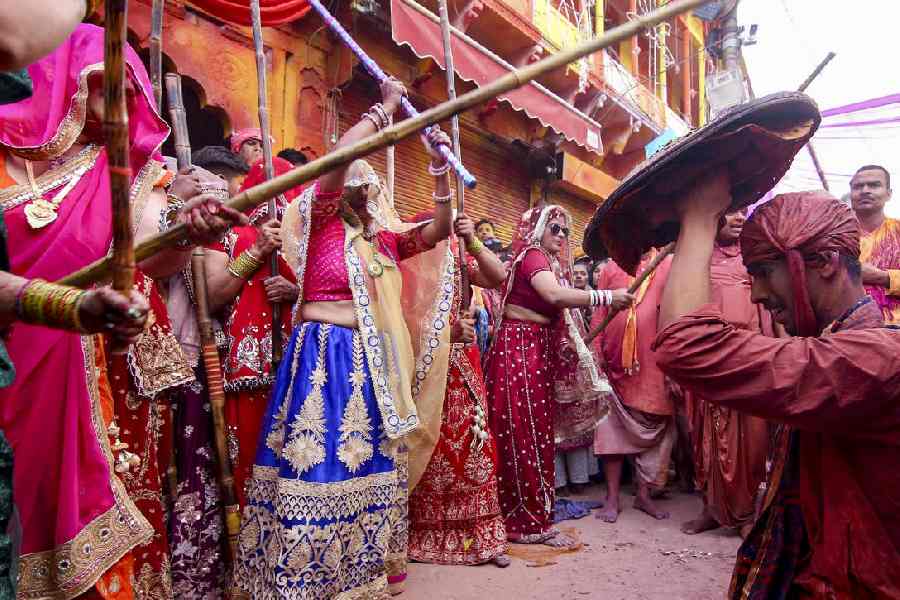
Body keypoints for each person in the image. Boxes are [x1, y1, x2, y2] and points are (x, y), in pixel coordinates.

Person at [0, 24, 245, 598]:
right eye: (104, 89)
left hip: (92, 380)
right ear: (58, 85)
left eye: (129, 95)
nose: (119, 108)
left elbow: (153, 247)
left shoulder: (118, 176)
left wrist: (187, 229)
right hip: (10, 363)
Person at [236, 77, 456, 599]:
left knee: (369, 461)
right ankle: (302, 578)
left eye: (368, 185)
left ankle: (359, 574)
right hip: (322, 355)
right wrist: (383, 110)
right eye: (354, 182)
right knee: (319, 464)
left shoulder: (381, 240)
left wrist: (442, 174)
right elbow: (336, 160)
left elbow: (440, 229)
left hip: (374, 363)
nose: (363, 189)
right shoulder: (322, 218)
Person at [654, 175, 900, 598]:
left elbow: (684, 346)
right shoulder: (834, 344)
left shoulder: (872, 359)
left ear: (824, 262)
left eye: (765, 272)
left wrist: (697, 216)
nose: (758, 296)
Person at [484, 204, 631, 546]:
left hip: (532, 348)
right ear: (537, 229)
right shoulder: (534, 256)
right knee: (522, 434)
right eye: (555, 228)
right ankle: (521, 521)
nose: (562, 236)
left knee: (534, 434)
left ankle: (530, 515)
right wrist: (606, 296)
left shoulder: (547, 262)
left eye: (565, 230)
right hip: (518, 348)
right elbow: (552, 295)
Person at [407, 213, 510, 568]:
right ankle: (427, 536)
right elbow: (404, 317)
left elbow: (498, 277)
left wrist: (474, 241)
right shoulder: (412, 262)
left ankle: (482, 537)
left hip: (464, 363)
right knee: (430, 445)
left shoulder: (460, 258)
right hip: (426, 365)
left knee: (474, 443)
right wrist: (444, 334)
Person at [204, 156, 301, 510]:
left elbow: (333, 297)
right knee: (244, 459)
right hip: (244, 374)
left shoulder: (305, 241)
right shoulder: (228, 234)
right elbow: (212, 296)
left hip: (297, 369)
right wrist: (257, 251)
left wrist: (295, 292)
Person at [676, 208, 770, 538]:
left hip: (747, 355)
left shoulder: (755, 257)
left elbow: (769, 309)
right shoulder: (695, 259)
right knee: (705, 436)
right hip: (707, 356)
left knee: (751, 441)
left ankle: (745, 515)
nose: (738, 219)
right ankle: (711, 509)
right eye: (730, 214)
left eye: (743, 213)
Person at [592, 248, 676, 523]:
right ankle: (612, 497)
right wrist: (596, 352)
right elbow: (600, 312)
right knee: (610, 429)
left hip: (653, 363)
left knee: (654, 425)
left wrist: (673, 363)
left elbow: (673, 312)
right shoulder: (611, 268)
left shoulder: (666, 263)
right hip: (612, 361)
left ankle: (644, 495)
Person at [850, 164, 900, 324]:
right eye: (858, 186)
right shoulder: (832, 235)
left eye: (874, 185)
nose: (865, 190)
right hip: (844, 332)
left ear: (889, 194)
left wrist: (882, 277)